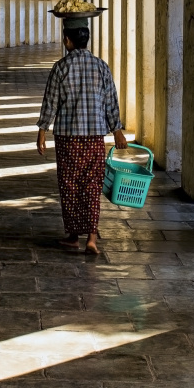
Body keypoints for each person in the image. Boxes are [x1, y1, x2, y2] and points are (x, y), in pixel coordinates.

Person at [36, 18, 126, 254]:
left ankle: (74, 235)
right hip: (94, 137)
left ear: (67, 40)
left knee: (70, 185)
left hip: (68, 137)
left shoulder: (61, 67)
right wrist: (117, 131)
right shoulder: (101, 66)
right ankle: (91, 238)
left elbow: (50, 102)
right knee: (92, 184)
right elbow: (110, 102)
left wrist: (42, 130)